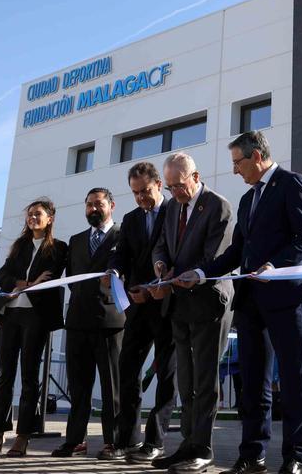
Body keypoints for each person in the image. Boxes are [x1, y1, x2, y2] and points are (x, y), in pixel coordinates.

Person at [179, 131, 302, 474]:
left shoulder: (292, 183)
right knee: (253, 381)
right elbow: (236, 251)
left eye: (237, 162)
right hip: (251, 301)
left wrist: (277, 265)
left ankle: (295, 456)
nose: (234, 170)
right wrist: (201, 273)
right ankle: (252, 454)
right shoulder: (247, 200)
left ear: (256, 156)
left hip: (288, 297)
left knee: (294, 378)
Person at [148, 152, 233, 474]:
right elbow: (160, 245)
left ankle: (203, 448)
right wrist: (159, 264)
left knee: (205, 378)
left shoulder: (217, 205)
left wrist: (189, 275)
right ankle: (187, 444)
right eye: (169, 187)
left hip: (208, 303)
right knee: (186, 379)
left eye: (179, 186)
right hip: (178, 305)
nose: (174, 193)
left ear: (195, 177)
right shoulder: (170, 206)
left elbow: (216, 258)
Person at [0, 198, 68, 457]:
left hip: (35, 316)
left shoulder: (58, 248)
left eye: (37, 214)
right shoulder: (19, 246)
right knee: (4, 376)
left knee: (30, 377)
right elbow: (4, 278)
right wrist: (27, 283)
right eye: (29, 214)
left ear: (49, 218)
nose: (32, 218)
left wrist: (27, 285)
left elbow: (50, 277)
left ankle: (23, 436)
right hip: (9, 313)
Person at [110, 162, 177, 464]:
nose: (140, 198)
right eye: (135, 193)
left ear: (159, 185)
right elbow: (122, 256)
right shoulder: (130, 219)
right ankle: (126, 439)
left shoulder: (176, 211)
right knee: (127, 371)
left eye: (145, 191)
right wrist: (115, 271)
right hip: (137, 306)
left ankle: (155, 441)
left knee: (167, 374)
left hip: (166, 306)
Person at [54, 188, 123, 459]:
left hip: (110, 322)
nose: (94, 209)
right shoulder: (76, 240)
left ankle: (112, 441)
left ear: (111, 206)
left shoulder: (122, 235)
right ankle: (75, 441)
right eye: (89, 205)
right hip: (78, 322)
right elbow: (72, 277)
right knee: (78, 387)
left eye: (99, 204)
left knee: (111, 387)